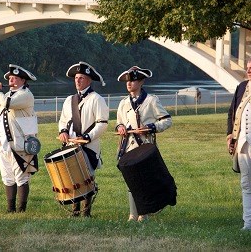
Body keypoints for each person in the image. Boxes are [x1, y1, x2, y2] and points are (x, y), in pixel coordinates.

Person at [115, 66, 172, 222]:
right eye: (128, 80)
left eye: (133, 80)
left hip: (144, 146)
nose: (129, 83)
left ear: (141, 82)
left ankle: (144, 214)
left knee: (144, 181)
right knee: (130, 179)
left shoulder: (151, 100)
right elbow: (119, 122)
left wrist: (152, 127)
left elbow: (167, 120)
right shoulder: (123, 103)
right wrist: (120, 127)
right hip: (127, 146)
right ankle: (132, 214)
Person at [58, 61, 109, 217]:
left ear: (89, 80)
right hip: (71, 144)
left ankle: (86, 211)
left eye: (81, 78)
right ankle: (75, 210)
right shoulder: (69, 100)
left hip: (88, 145)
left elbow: (102, 123)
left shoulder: (97, 99)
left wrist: (88, 136)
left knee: (87, 177)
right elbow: (63, 120)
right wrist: (63, 131)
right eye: (76, 78)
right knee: (73, 176)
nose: (77, 80)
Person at [0, 64, 39, 213]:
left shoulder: (26, 95)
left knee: (21, 177)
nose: (11, 81)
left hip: (20, 143)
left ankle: (21, 209)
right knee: (8, 177)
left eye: (15, 78)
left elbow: (7, 104)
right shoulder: (8, 95)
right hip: (4, 144)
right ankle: (10, 209)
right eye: (10, 78)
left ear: (23, 81)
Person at [227, 55, 251, 231]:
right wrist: (230, 136)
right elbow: (232, 112)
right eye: (247, 67)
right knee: (247, 184)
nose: (247, 71)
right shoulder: (241, 87)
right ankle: (248, 224)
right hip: (244, 143)